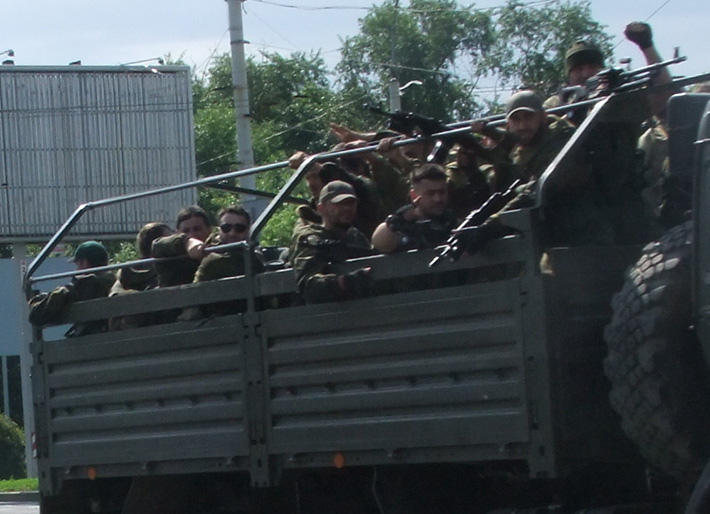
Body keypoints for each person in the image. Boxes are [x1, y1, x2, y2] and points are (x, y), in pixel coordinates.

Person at [289, 180, 375, 304]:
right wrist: (343, 282)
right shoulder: (311, 239)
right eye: (339, 204)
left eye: (351, 203)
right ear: (321, 208)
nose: (347, 208)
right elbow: (309, 286)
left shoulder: (356, 236)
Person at [29, 241, 114, 337]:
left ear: (85, 263)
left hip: (88, 342)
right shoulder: (116, 284)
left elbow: (36, 316)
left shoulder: (80, 287)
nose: (76, 270)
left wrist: (36, 301)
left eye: (78, 265)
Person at [371, 163, 458, 254]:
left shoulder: (451, 221)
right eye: (430, 193)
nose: (438, 199)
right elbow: (380, 244)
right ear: (414, 195)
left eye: (442, 192)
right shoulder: (402, 221)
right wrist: (400, 219)